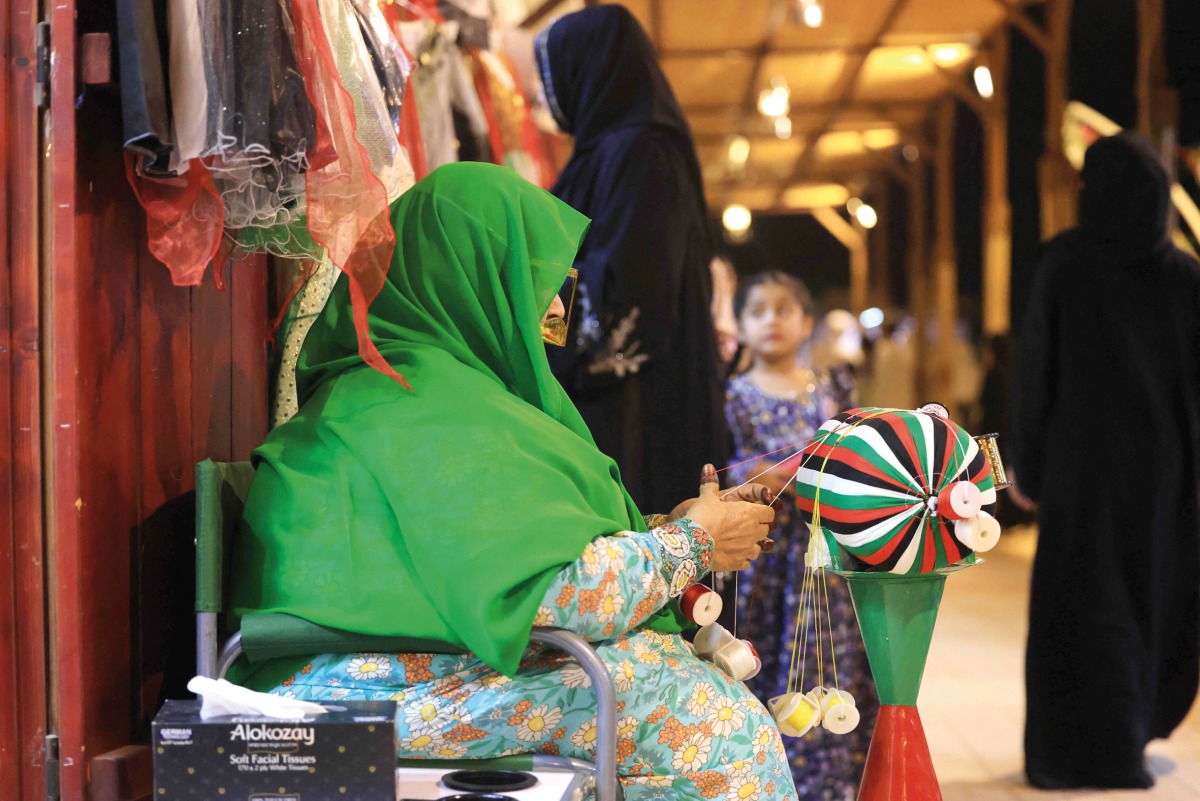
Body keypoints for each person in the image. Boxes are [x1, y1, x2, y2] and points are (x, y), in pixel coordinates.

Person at [231, 163, 798, 800]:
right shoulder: (413, 408)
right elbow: (555, 594)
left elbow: (508, 554)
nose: (555, 308)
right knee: (711, 727)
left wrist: (669, 529)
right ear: (467, 280)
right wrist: (692, 542)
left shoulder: (420, 395)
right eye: (534, 284)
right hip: (356, 686)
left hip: (406, 662)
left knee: (683, 692)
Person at [1011, 132, 1200, 790]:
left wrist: (1025, 466)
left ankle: (1069, 753)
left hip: (1080, 469)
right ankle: (1128, 740)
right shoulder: (1182, 273)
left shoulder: (1064, 262)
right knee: (1148, 597)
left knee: (1081, 602)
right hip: (1163, 477)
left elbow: (1036, 369)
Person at [533, 6, 726, 514]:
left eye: (553, 74)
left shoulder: (644, 151)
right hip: (608, 394)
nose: (544, 94)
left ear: (591, 69)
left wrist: (536, 324)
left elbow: (628, 290)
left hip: (634, 403)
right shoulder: (611, 152)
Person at [722, 272, 877, 798]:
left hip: (827, 556)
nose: (771, 319)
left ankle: (830, 784)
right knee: (766, 660)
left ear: (806, 322)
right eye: (757, 310)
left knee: (831, 665)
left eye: (784, 309)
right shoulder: (730, 397)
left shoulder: (832, 390)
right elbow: (733, 472)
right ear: (740, 325)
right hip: (764, 559)